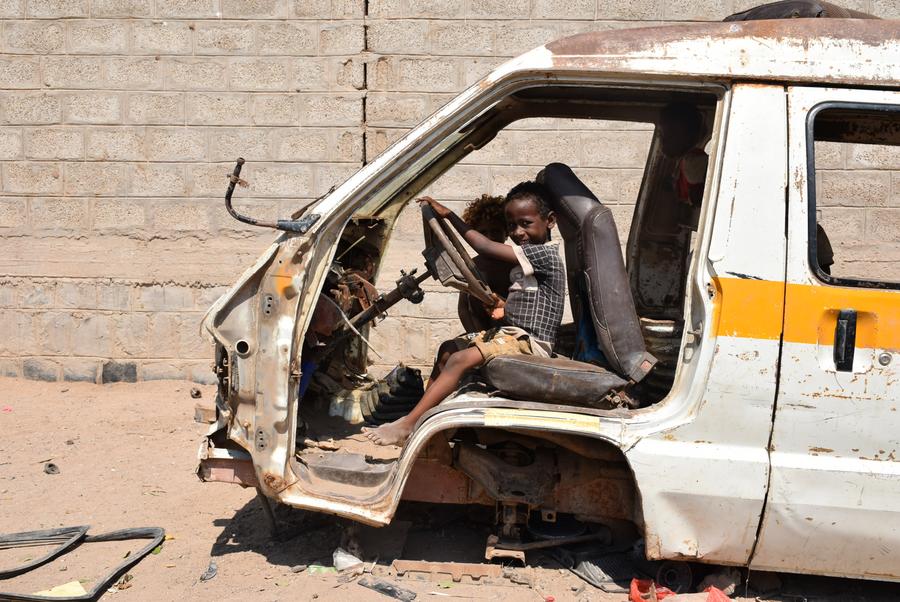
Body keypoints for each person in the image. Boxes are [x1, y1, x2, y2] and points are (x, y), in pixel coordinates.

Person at [363, 182, 565, 446]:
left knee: (459, 360)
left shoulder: (544, 254)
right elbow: (531, 299)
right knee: (449, 350)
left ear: (550, 221)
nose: (518, 232)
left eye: (525, 224)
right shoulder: (525, 261)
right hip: (512, 333)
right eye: (512, 226)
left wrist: (449, 215)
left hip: (531, 342)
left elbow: (485, 247)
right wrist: (502, 305)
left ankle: (409, 424)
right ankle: (424, 422)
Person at [458, 194, 511, 332]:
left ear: (506, 232)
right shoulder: (472, 266)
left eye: (495, 231)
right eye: (482, 232)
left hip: (512, 330)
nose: (489, 237)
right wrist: (475, 337)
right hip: (481, 333)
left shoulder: (514, 262)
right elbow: (463, 308)